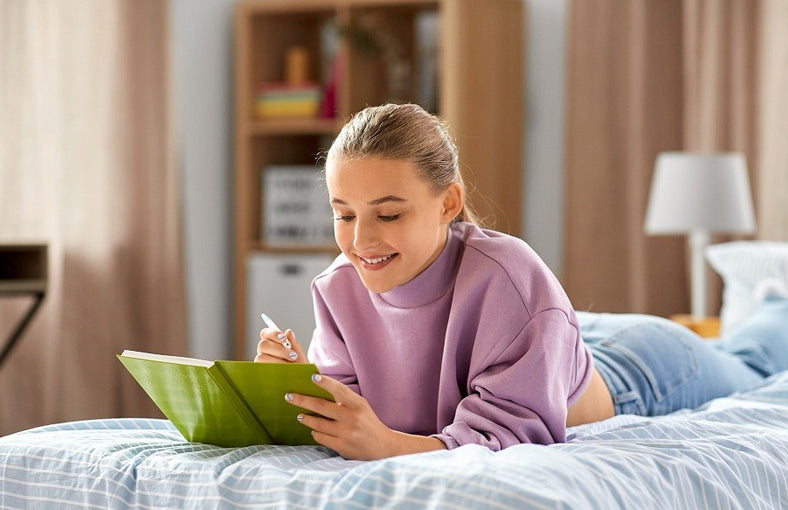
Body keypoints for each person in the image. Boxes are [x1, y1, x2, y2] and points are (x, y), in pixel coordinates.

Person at [255, 103, 788, 461]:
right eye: (344, 215)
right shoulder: (339, 287)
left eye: (388, 215)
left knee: (754, 363)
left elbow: (509, 433)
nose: (361, 240)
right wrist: (298, 387)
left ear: (447, 204)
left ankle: (776, 300)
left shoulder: (506, 275)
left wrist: (391, 447)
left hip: (638, 371)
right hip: (553, 338)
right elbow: (358, 413)